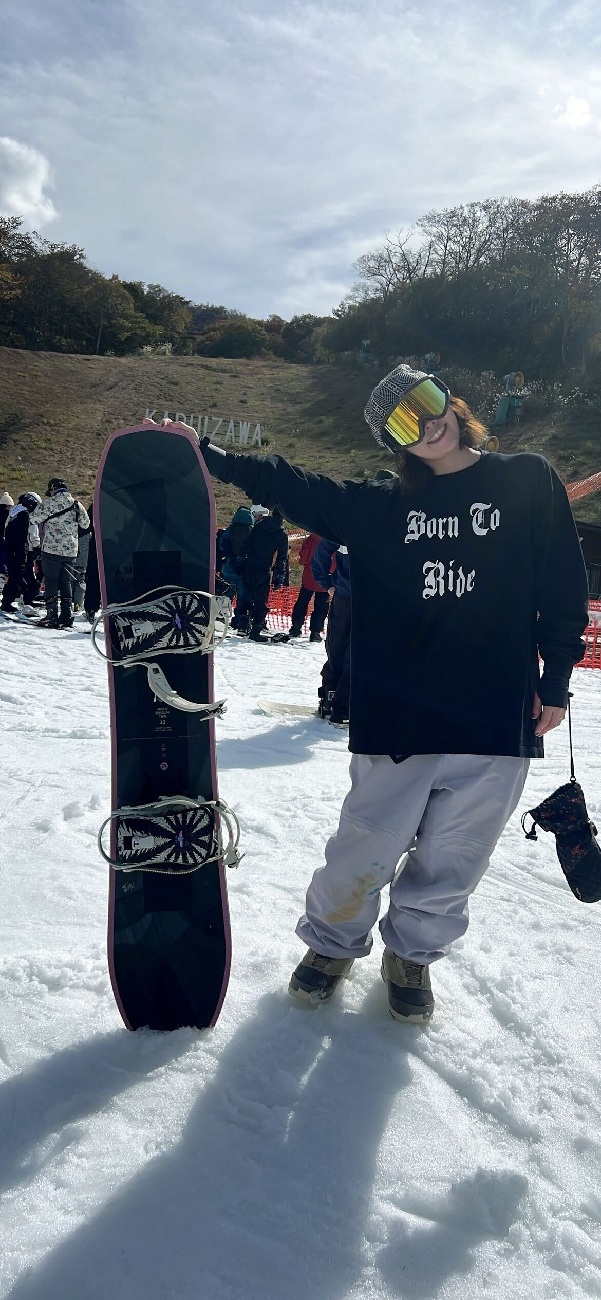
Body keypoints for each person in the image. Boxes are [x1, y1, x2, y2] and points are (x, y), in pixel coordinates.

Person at [143, 365, 588, 1022]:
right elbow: (292, 484)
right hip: (400, 711)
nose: (426, 423)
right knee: (365, 843)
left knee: (456, 855)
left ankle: (411, 955)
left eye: (428, 401)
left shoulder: (527, 479)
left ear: (450, 399)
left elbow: (562, 584)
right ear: (394, 444)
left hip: (497, 710)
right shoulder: (381, 506)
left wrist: (556, 680)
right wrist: (206, 454)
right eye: (403, 422)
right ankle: (331, 944)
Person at [32, 478, 90, 628]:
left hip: (51, 549)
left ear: (53, 489)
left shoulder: (49, 503)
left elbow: (33, 519)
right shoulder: (77, 504)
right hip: (70, 551)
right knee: (66, 581)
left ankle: (51, 615)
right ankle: (66, 615)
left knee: (51, 581)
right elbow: (86, 524)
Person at [233, 505, 289, 640]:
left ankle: (242, 625)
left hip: (249, 565)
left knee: (246, 595)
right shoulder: (282, 534)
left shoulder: (259, 526)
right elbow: (282, 558)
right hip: (264, 568)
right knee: (260, 600)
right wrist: (279, 577)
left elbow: (246, 544)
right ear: (283, 518)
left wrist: (240, 563)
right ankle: (256, 629)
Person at [312, 540, 351, 724]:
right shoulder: (344, 530)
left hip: (354, 598)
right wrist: (327, 584)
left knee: (342, 651)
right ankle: (336, 703)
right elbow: (322, 551)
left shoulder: (345, 527)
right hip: (349, 598)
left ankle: (338, 704)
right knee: (343, 651)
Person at [1, 493, 41, 615]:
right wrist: (33, 547)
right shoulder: (25, 514)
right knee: (20, 575)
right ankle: (10, 601)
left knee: (18, 575)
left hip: (11, 548)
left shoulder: (15, 511)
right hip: (22, 549)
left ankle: (21, 598)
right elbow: (28, 534)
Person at [288, 533, 331, 641]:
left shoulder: (311, 538)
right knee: (321, 606)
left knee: (302, 602)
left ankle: (296, 627)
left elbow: (303, 557)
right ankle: (315, 632)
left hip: (309, 575)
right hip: (325, 577)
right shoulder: (332, 540)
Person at [219, 504, 255, 623]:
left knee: (226, 594)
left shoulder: (230, 530)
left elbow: (222, 546)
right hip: (245, 569)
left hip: (229, 567)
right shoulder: (252, 531)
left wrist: (230, 558)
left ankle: (221, 617)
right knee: (242, 597)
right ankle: (239, 619)